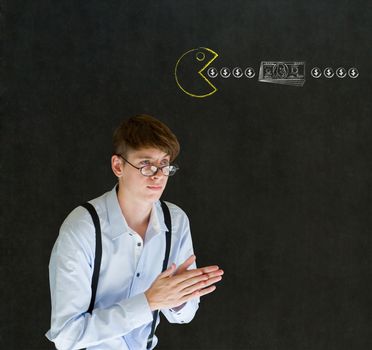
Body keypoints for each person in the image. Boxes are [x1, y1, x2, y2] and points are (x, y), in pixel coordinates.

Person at [45, 114, 224, 350]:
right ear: (118, 166)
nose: (158, 175)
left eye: (164, 164)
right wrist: (148, 302)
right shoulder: (83, 227)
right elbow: (66, 336)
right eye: (146, 165)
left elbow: (183, 316)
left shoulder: (176, 220)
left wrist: (179, 296)